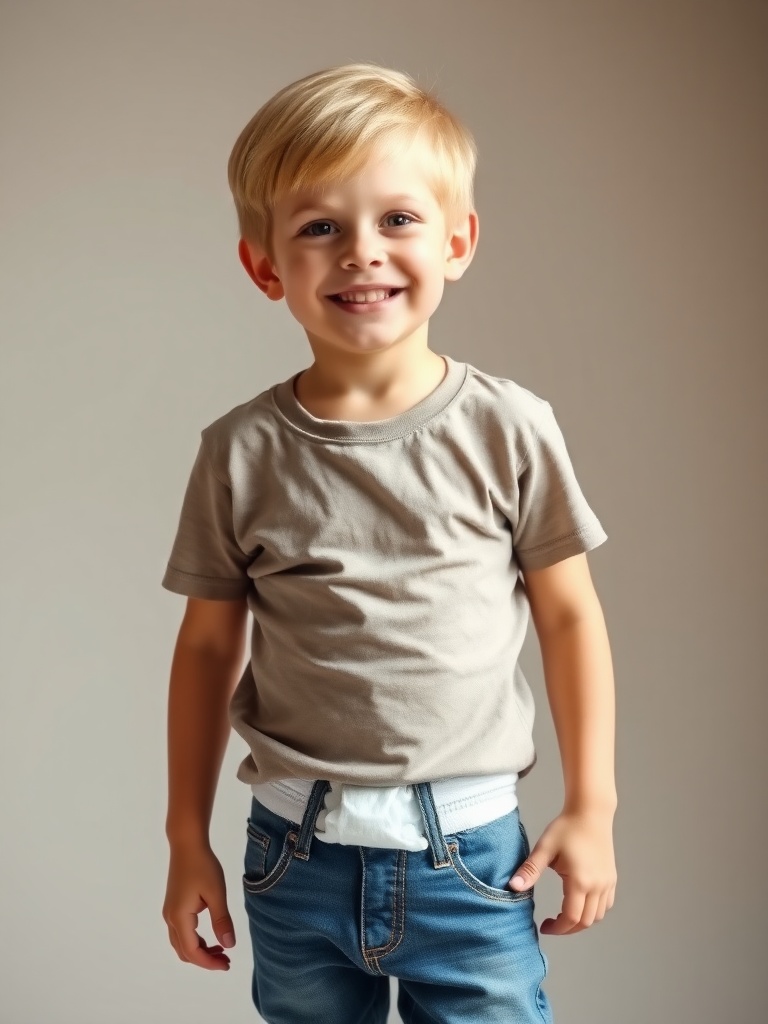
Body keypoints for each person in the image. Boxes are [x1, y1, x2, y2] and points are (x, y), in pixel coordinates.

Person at [160, 62, 617, 1024]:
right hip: (294, 856)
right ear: (265, 265)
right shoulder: (240, 451)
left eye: (398, 221)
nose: (362, 252)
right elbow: (207, 646)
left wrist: (594, 806)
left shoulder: (511, 428)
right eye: (320, 227)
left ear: (458, 242)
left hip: (473, 856)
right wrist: (185, 838)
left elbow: (570, 616)